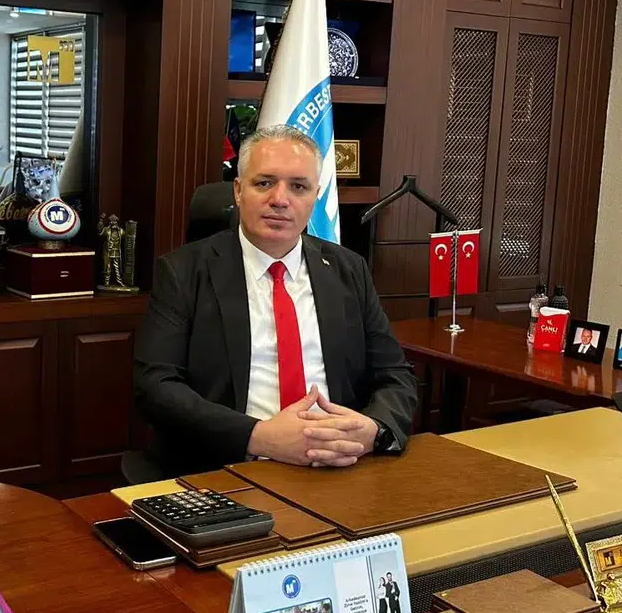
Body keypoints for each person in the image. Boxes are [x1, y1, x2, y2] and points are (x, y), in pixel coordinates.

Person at [132, 124, 418, 479]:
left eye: (298, 187)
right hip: (230, 467)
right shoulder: (183, 272)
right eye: (265, 183)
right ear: (239, 191)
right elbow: (156, 386)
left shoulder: (349, 270)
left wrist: (374, 430)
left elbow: (395, 374)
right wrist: (258, 437)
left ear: (315, 197)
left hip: (340, 466)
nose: (280, 199)